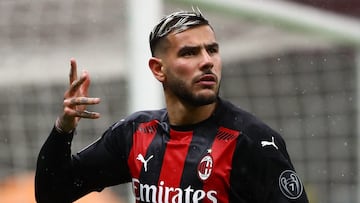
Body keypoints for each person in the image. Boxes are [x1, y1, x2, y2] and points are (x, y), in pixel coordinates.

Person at [35, 10, 309, 203]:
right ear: (158, 69)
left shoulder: (253, 141)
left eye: (212, 50)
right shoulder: (135, 133)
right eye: (189, 53)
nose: (207, 61)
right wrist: (63, 129)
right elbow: (52, 193)